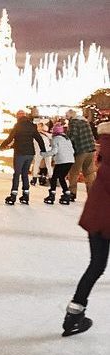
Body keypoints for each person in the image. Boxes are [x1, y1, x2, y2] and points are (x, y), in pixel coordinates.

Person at [61, 122, 110, 337]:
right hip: (105, 219)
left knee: (96, 265)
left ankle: (73, 315)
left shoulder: (105, 148)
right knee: (96, 266)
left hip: (96, 219)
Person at [1, 110, 46, 205]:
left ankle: (13, 196)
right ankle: (26, 196)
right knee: (25, 174)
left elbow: (10, 138)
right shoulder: (32, 126)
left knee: (17, 174)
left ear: (18, 117)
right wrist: (43, 150)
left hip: (20, 153)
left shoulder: (17, 126)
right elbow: (39, 138)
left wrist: (2, 145)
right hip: (30, 154)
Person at [66, 109, 97, 202]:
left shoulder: (74, 122)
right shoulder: (85, 122)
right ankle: (92, 194)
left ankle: (72, 193)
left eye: (67, 116)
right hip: (91, 150)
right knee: (89, 173)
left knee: (73, 172)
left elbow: (73, 137)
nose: (66, 118)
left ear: (71, 116)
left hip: (81, 150)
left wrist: (67, 144)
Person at [40, 123, 75, 205]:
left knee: (54, 178)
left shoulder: (55, 139)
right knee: (62, 177)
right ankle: (66, 194)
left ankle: (52, 195)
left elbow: (54, 151)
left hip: (61, 161)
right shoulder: (67, 139)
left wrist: (44, 154)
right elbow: (72, 150)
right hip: (70, 161)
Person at [30, 121, 52, 186]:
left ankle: (34, 179)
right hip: (46, 152)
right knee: (47, 165)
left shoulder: (37, 135)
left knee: (38, 165)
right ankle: (51, 179)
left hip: (40, 152)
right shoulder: (46, 135)